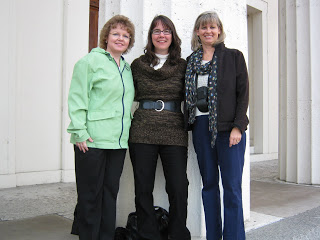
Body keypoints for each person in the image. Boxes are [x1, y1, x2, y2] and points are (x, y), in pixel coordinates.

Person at [67, 15, 135, 240]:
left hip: (117, 142)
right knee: (90, 196)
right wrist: (79, 133)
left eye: (125, 35)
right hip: (92, 140)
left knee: (110, 195)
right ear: (106, 37)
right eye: (116, 33)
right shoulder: (89, 62)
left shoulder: (126, 69)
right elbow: (77, 98)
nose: (120, 38)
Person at [185, 11, 249, 240]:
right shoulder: (191, 62)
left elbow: (243, 95)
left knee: (231, 189)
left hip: (228, 130)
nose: (208, 31)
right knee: (209, 186)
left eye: (212, 27)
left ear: (219, 30)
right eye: (203, 28)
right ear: (197, 32)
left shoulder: (233, 57)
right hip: (201, 129)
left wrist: (238, 127)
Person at [129, 15, 191, 240]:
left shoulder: (184, 66)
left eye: (166, 31)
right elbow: (125, 95)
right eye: (157, 31)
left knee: (178, 187)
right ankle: (148, 235)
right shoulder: (137, 65)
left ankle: (178, 234)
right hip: (142, 130)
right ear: (150, 37)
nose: (161, 35)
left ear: (172, 36)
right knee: (143, 187)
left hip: (174, 131)